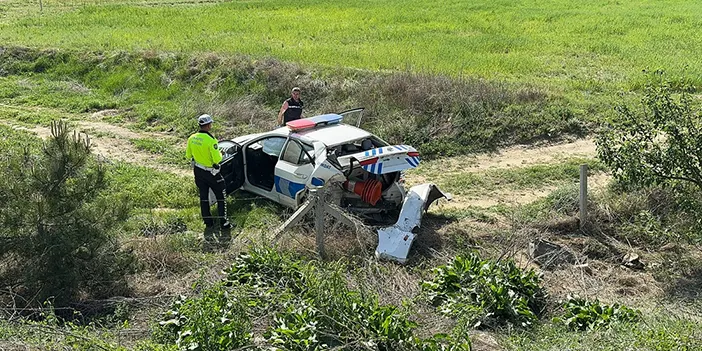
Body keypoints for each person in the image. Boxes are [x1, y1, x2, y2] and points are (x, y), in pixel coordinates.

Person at [185, 114, 231, 229]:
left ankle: (208, 223)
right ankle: (224, 223)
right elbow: (217, 159)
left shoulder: (192, 138)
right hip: (211, 173)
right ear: (209, 125)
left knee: (203, 197)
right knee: (221, 197)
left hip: (198, 171)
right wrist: (221, 153)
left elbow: (188, 155)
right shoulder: (211, 140)